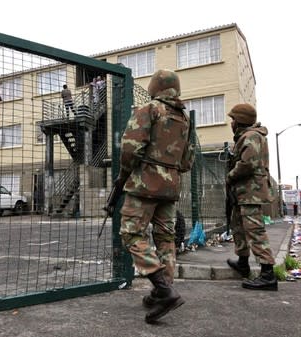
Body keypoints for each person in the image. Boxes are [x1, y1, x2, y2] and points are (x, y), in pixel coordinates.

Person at [116, 69, 193, 323]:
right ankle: (163, 290)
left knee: (131, 233)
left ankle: (164, 289)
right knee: (166, 237)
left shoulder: (150, 108)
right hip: (170, 187)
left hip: (143, 184)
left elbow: (130, 149)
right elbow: (187, 160)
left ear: (155, 86)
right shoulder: (183, 116)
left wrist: (125, 174)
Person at [226, 103, 278, 291]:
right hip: (244, 193)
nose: (231, 122)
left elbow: (248, 163)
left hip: (250, 192)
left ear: (240, 121)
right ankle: (243, 263)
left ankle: (267, 274)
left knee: (254, 231)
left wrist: (230, 175)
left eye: (233, 119)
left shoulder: (252, 136)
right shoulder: (247, 136)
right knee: (238, 227)